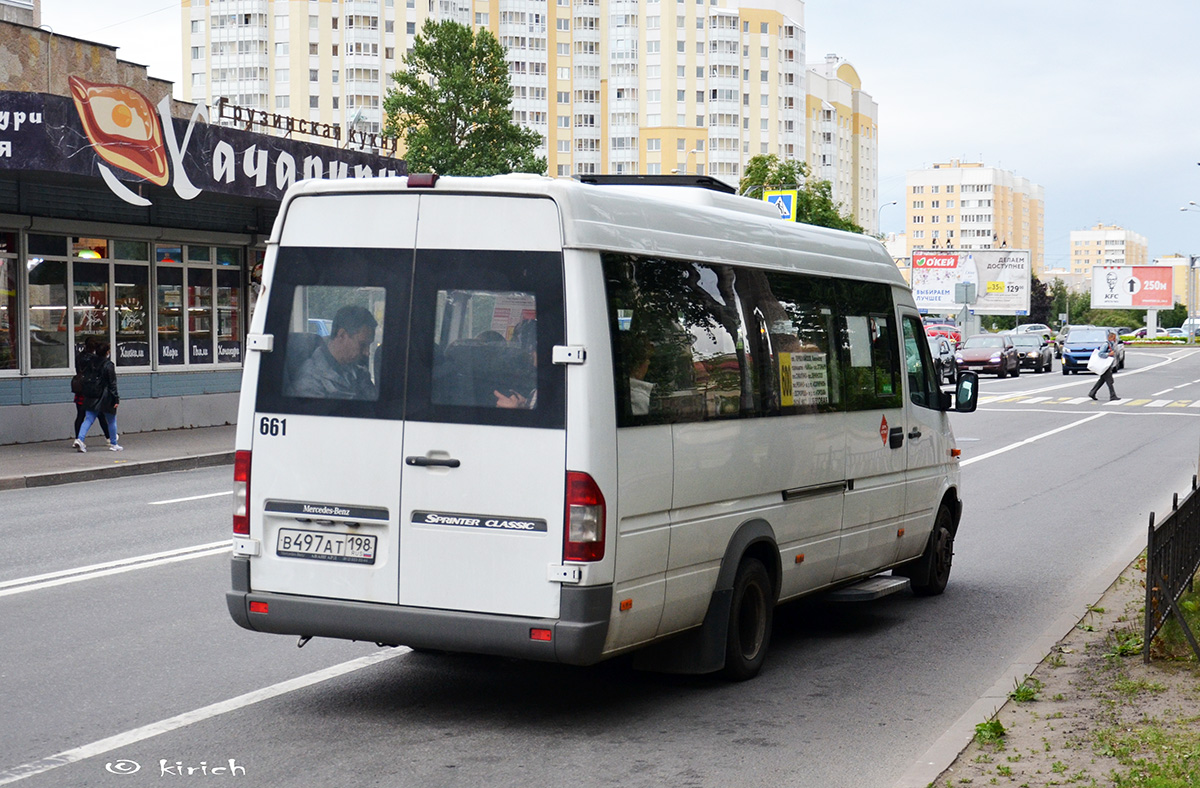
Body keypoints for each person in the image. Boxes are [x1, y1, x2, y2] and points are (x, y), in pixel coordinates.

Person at [290, 305, 378, 400]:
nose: (367, 352)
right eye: (362, 344)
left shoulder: (359, 372)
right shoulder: (310, 381)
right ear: (342, 335)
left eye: (369, 345)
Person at [74, 340, 121, 452]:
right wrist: (116, 398)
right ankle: (114, 443)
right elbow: (112, 383)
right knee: (111, 420)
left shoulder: (90, 362)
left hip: (91, 394)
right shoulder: (108, 365)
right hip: (105, 396)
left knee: (89, 418)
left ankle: (80, 439)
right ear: (107, 352)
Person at [72, 336, 111, 444]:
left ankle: (77, 438)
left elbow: (78, 370)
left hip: (80, 388)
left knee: (80, 415)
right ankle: (109, 437)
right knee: (100, 414)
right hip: (91, 389)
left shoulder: (79, 357)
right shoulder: (94, 359)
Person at [1088, 331, 1121, 402]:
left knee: (1102, 380)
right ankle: (1112, 396)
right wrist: (1108, 354)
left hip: (1108, 365)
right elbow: (1100, 354)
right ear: (1110, 338)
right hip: (1105, 365)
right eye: (1114, 338)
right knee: (1109, 381)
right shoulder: (1106, 344)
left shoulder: (1111, 344)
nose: (1115, 340)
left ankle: (1092, 392)